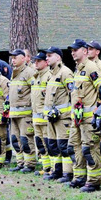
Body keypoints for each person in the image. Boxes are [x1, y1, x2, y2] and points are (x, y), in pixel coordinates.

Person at [68, 39, 101, 192]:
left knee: (89, 149)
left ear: (84, 51)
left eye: (75, 50)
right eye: (71, 50)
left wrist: (98, 112)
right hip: (76, 118)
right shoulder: (78, 69)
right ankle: (80, 177)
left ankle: (94, 181)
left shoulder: (91, 68)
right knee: (74, 146)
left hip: (89, 118)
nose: (72, 52)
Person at [42, 47, 74, 181]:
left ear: (58, 57)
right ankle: (57, 171)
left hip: (63, 118)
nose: (47, 58)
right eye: (46, 56)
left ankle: (67, 173)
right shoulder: (50, 74)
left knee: (64, 145)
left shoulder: (66, 73)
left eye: (50, 56)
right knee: (53, 145)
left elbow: (72, 95)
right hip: (51, 118)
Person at [8, 49, 36, 173]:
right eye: (12, 58)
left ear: (23, 58)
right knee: (15, 140)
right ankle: (20, 163)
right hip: (13, 114)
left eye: (15, 57)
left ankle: (29, 164)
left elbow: (34, 92)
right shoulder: (13, 73)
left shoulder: (29, 72)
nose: (13, 60)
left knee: (26, 140)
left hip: (25, 114)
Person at [30, 52, 51, 175]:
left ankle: (52, 168)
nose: (36, 63)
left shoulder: (48, 76)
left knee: (48, 143)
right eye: (35, 61)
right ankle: (46, 167)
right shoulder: (35, 77)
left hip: (45, 118)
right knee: (40, 143)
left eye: (39, 61)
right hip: (36, 117)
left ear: (46, 62)